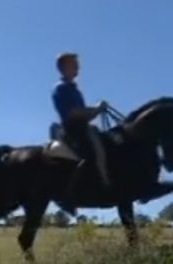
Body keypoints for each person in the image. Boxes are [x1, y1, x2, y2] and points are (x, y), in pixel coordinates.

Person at [52, 52, 110, 214]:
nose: (78, 67)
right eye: (74, 64)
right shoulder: (61, 88)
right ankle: (70, 195)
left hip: (82, 128)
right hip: (74, 130)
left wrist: (96, 110)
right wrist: (97, 109)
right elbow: (74, 113)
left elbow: (83, 113)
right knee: (91, 154)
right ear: (64, 68)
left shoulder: (72, 89)